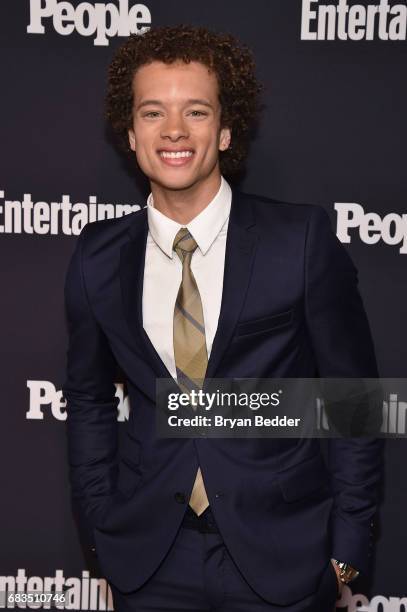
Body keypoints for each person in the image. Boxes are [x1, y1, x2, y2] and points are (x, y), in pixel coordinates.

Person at [62, 24, 383, 612]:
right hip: (150, 561)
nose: (175, 131)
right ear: (130, 134)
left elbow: (355, 398)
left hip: (284, 557)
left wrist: (345, 554)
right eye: (153, 112)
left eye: (197, 112)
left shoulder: (302, 242)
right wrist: (101, 533)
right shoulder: (97, 256)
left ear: (226, 129)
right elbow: (87, 401)